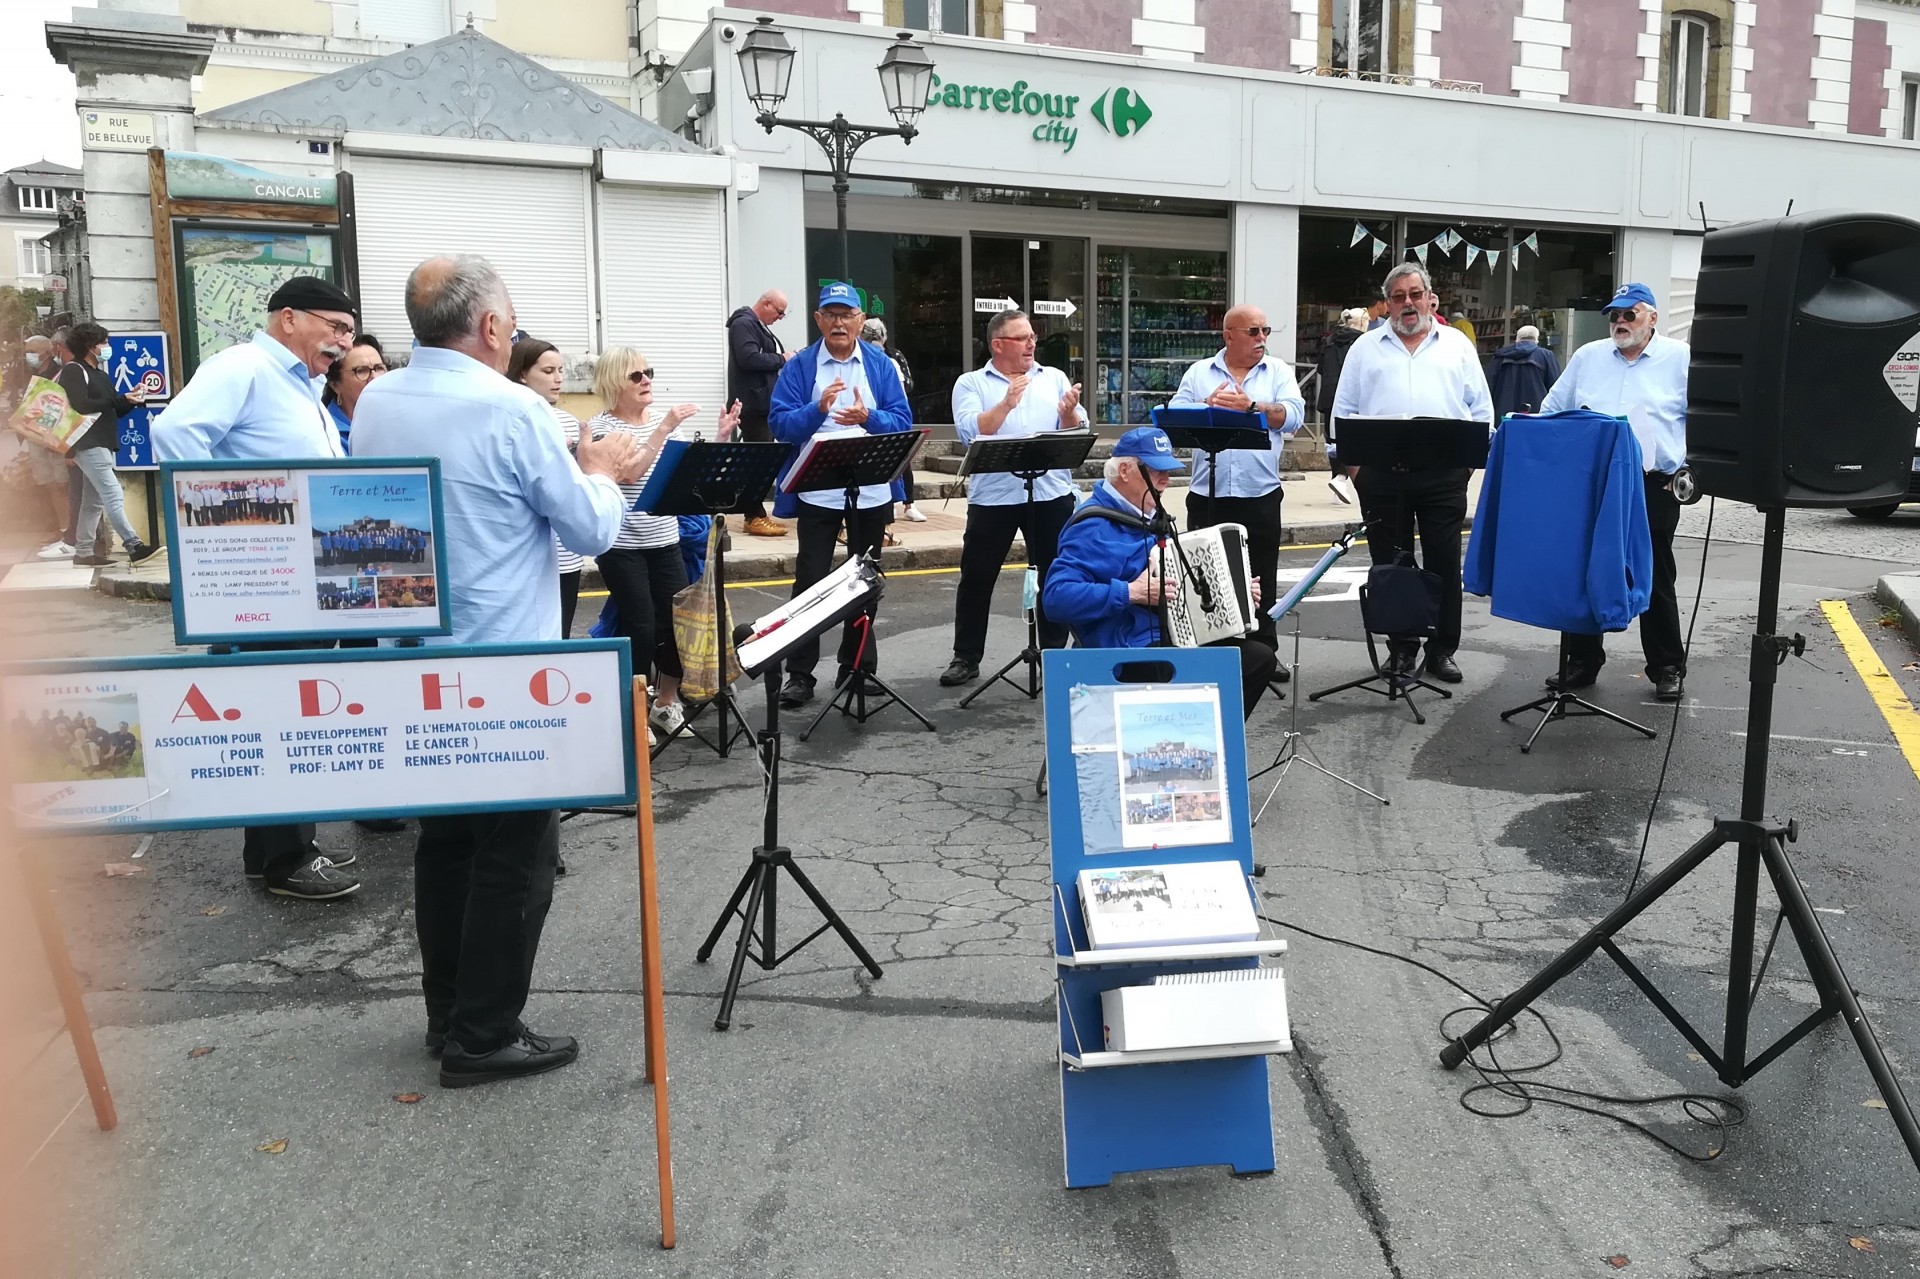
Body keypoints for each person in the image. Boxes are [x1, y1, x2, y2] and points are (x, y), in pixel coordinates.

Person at [351, 253, 646, 1087]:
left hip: (411, 662)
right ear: (489, 328)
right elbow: (588, 529)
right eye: (511, 322)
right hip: (503, 668)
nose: (512, 331)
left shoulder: (378, 397)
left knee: (445, 845)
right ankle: (484, 1032)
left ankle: (449, 1013)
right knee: (515, 854)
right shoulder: (514, 408)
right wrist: (604, 472)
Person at [151, 275, 362, 901]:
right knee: (284, 711)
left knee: (278, 707)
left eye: (348, 332)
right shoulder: (242, 366)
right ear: (290, 317)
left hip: (296, 578)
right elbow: (173, 436)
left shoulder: (298, 385)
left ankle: (269, 849)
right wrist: (244, 523)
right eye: (336, 327)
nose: (342, 343)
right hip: (268, 580)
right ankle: (288, 860)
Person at [1330, 262, 1494, 685]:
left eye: (1415, 294)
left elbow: (1480, 409)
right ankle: (1401, 649)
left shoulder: (1457, 344)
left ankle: (1442, 650)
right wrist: (1356, 471)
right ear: (1387, 303)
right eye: (1399, 296)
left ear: (1429, 298)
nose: (1408, 303)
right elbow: (1343, 410)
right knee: (1391, 564)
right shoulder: (1365, 347)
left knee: (1442, 564)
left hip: (1443, 474)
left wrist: (1465, 468)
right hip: (1381, 475)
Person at [1041, 426, 1276, 718]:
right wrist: (1131, 593)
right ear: (1125, 470)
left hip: (1163, 639)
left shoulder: (1151, 517)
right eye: (1155, 472)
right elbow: (1056, 598)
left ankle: (1205, 744)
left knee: (1258, 659)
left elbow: (1181, 585)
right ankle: (1191, 742)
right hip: (1125, 650)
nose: (1165, 480)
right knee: (1233, 666)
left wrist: (1234, 596)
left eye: (1167, 471)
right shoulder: (1092, 526)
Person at [767, 281, 915, 709]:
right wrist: (817, 411)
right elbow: (780, 423)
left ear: (860, 321)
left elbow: (901, 420)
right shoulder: (800, 367)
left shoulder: (880, 364)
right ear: (818, 320)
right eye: (830, 314)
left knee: (865, 580)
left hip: (869, 488)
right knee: (809, 580)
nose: (838, 322)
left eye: (846, 314)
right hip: (818, 490)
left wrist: (868, 417)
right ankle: (800, 673)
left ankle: (857, 667)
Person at [1539, 283, 1689, 702]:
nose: (1620, 323)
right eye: (1615, 316)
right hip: (1592, 479)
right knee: (1585, 567)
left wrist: (1688, 469)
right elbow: (1553, 409)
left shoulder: (1680, 358)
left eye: (1630, 315)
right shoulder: (1589, 356)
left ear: (1653, 318)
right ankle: (1582, 661)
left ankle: (1666, 666)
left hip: (1651, 482)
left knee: (1654, 571)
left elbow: (1705, 419)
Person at [586, 346, 740, 742]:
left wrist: (721, 439)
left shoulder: (663, 422)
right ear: (614, 383)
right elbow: (626, 473)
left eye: (648, 372)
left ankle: (665, 702)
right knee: (638, 624)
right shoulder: (602, 428)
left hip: (664, 539)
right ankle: (634, 711)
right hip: (620, 544)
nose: (646, 380)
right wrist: (663, 429)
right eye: (636, 376)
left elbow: (688, 475)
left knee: (678, 625)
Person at [939, 308, 1085, 688]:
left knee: (1054, 574)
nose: (1032, 343)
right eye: (1022, 338)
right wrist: (1006, 402)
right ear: (998, 344)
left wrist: (1068, 414)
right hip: (995, 496)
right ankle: (966, 657)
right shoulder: (971, 382)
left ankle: (1053, 651)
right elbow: (973, 432)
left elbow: (1074, 431)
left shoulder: (1052, 377)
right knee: (977, 577)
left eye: (1033, 337)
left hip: (1050, 492)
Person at [1167, 302, 1306, 655]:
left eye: (1265, 331)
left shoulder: (1276, 371)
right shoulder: (1200, 372)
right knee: (1205, 572)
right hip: (1207, 491)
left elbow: (1293, 415)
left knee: (1262, 574)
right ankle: (1213, 649)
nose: (1262, 338)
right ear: (1229, 336)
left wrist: (1252, 407)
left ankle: (1263, 651)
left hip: (1259, 491)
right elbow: (1174, 415)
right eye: (1253, 332)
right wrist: (1206, 403)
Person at [56, 321, 160, 568]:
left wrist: (131, 399)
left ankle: (83, 552)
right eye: (103, 343)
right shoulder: (74, 370)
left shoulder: (100, 374)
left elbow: (111, 409)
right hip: (87, 442)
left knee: (93, 501)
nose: (107, 347)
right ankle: (133, 545)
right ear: (91, 347)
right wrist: (118, 399)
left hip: (102, 442)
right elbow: (82, 405)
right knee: (113, 494)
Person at [508, 337, 589, 637]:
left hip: (567, 553)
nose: (557, 378)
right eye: (547, 371)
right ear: (521, 374)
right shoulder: (513, 421)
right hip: (527, 554)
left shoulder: (571, 423)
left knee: (561, 635)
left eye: (560, 370)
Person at [725, 288, 792, 537]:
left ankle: (754, 513)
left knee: (763, 461)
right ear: (766, 303)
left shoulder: (756, 325)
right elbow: (748, 358)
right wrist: (782, 358)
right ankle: (753, 515)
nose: (780, 317)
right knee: (760, 462)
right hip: (752, 406)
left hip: (762, 404)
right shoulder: (744, 324)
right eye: (779, 312)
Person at [13, 336, 74, 555]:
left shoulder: (59, 373)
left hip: (53, 438)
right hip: (34, 436)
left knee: (60, 484)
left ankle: (68, 530)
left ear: (46, 352)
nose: (28, 355)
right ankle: (58, 528)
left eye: (32, 351)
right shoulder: (30, 374)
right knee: (47, 483)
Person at [863, 316, 926, 526]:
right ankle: (887, 521)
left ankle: (908, 505)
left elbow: (906, 386)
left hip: (890, 420)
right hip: (869, 425)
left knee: (901, 465)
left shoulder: (892, 358)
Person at [321, 333, 387, 452]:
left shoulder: (398, 420)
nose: (375, 377)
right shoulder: (327, 434)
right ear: (334, 384)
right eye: (361, 371)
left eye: (379, 368)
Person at [1487, 323, 1562, 422]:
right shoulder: (1546, 356)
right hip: (1536, 415)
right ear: (1536, 340)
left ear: (1517, 339)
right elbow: (1556, 387)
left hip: (1503, 415)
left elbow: (1489, 386)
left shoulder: (1500, 357)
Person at [1315, 308, 1368, 427]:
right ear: (1362, 323)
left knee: (1331, 439)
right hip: (1353, 398)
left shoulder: (1329, 340)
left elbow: (1320, 368)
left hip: (1329, 396)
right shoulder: (1363, 342)